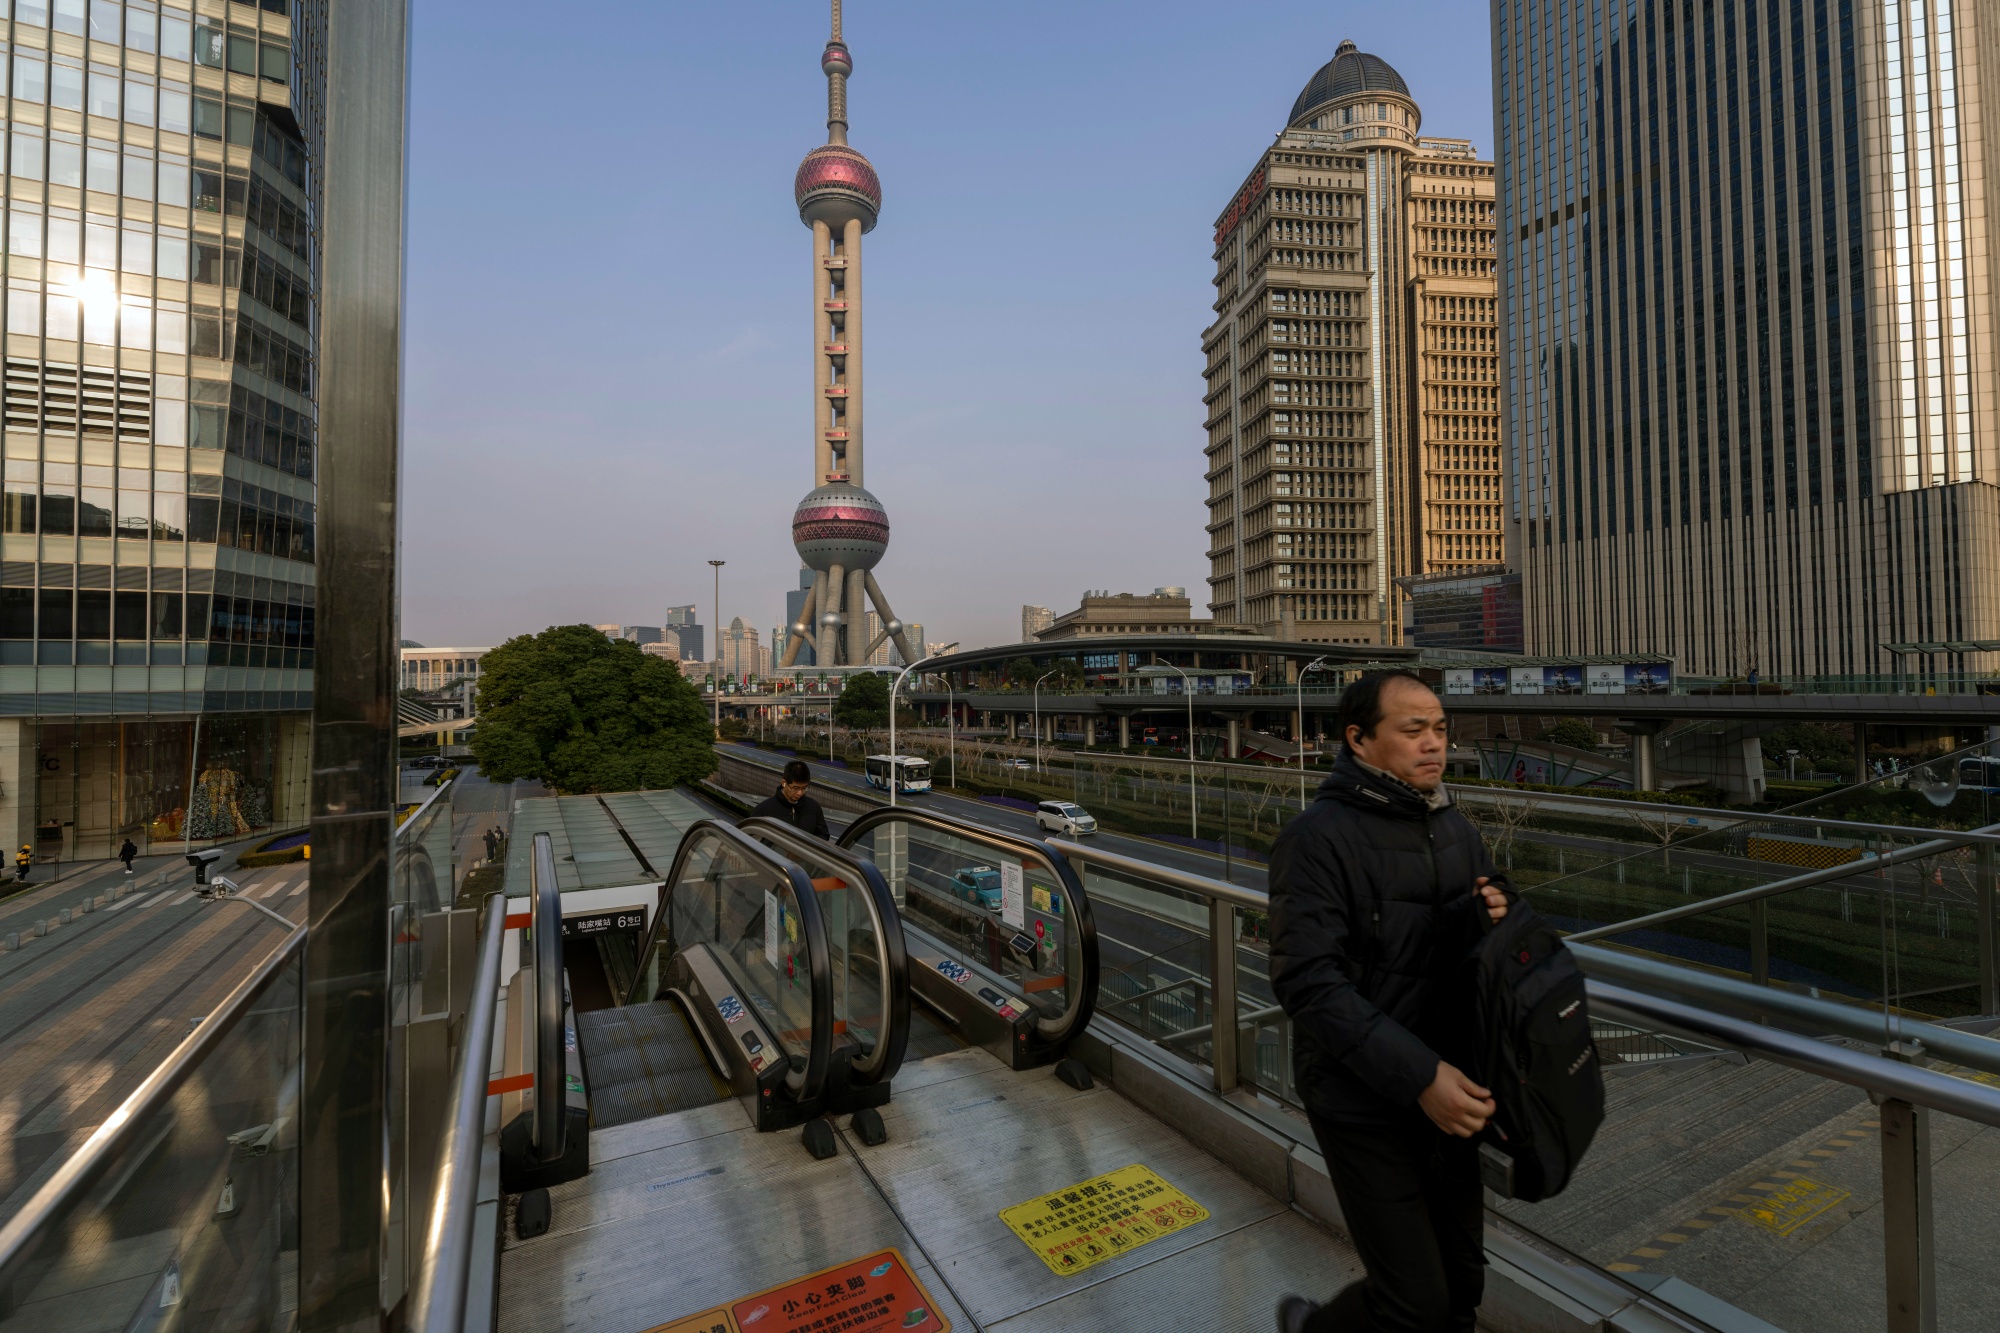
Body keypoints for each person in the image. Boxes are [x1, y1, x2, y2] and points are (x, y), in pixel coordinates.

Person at [1270, 669, 1509, 1333]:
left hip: (1448, 1085)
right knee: (1414, 1302)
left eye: (1439, 728)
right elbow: (1306, 980)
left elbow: (1450, 947)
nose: (1433, 743)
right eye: (1413, 730)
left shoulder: (1453, 827)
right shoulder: (1316, 838)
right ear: (1359, 739)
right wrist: (1421, 1075)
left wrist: (1494, 917)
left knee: (1461, 1286)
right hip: (1359, 1095)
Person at [749, 760, 830, 838]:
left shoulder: (814, 807)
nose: (800, 793)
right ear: (784, 783)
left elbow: (823, 835)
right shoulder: (763, 810)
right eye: (795, 788)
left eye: (804, 788)